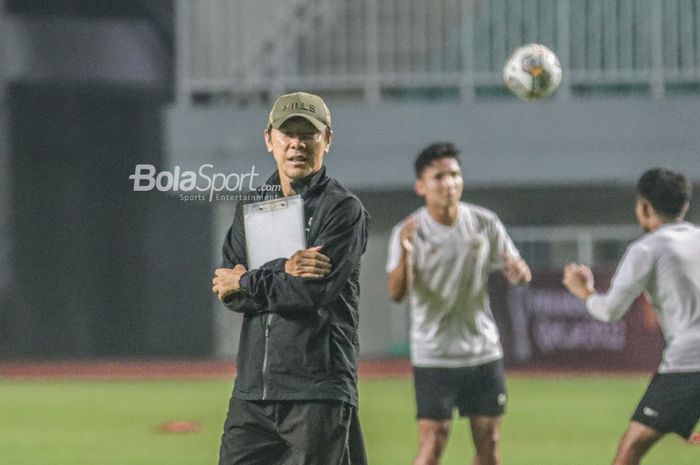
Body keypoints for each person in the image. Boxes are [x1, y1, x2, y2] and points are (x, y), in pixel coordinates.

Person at [211, 91, 369, 465]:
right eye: (287, 133)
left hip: (317, 390)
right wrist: (283, 270)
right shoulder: (251, 206)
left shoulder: (343, 209)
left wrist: (249, 280)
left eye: (308, 134)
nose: (297, 143)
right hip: (253, 392)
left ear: (327, 140)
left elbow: (312, 292)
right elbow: (228, 291)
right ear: (269, 139)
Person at [386, 142, 531, 465]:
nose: (449, 183)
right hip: (434, 353)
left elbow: (519, 272)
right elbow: (396, 293)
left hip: (482, 351)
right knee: (433, 443)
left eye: (454, 174)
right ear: (420, 186)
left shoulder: (484, 222)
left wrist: (519, 274)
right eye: (439, 177)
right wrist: (407, 253)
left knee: (489, 445)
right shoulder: (408, 231)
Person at [563, 168, 700, 465]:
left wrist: (585, 292)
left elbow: (610, 310)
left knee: (631, 448)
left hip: (689, 363)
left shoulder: (647, 248)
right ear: (684, 206)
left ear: (645, 206)